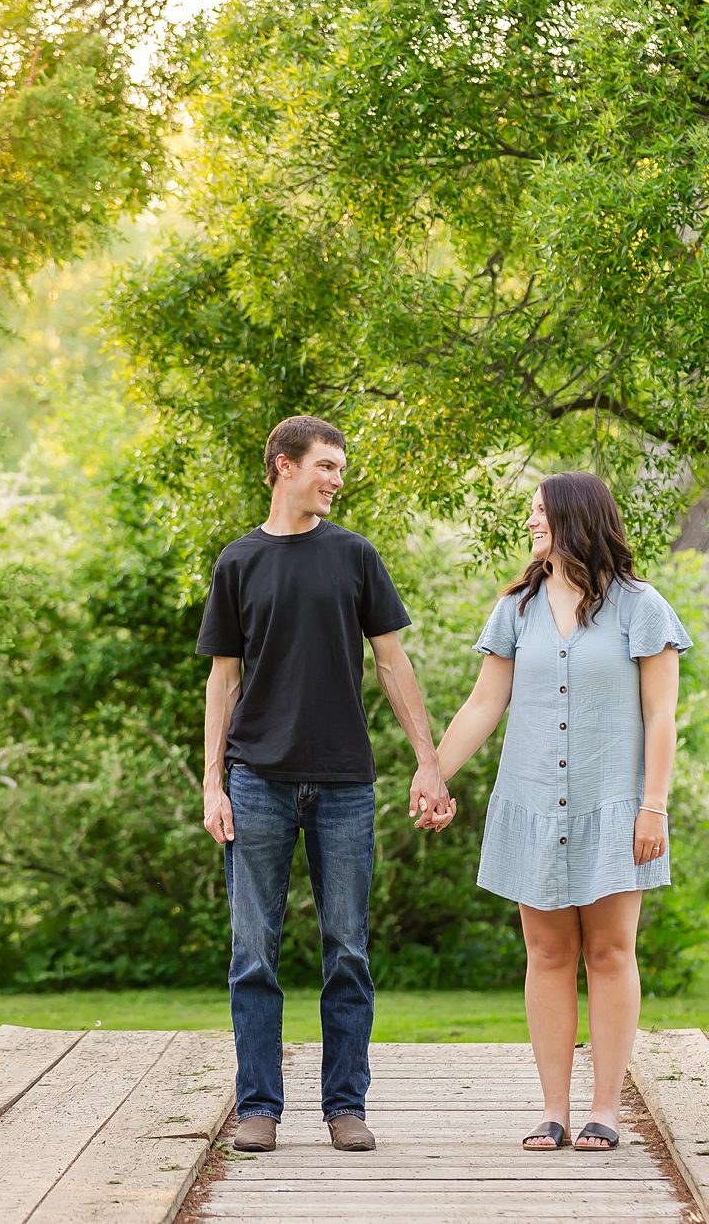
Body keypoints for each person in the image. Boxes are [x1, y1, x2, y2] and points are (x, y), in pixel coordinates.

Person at [197, 415, 453, 1155]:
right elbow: (222, 678)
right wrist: (213, 782)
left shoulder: (355, 555)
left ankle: (346, 1105)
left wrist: (428, 758)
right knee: (254, 952)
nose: (337, 479)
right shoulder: (238, 561)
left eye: (341, 468)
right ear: (284, 465)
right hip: (256, 783)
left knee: (347, 949)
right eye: (326, 465)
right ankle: (258, 1109)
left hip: (344, 782)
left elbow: (393, 663)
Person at [432, 471, 691, 1152]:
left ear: (575, 518)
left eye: (539, 512)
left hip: (616, 804)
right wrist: (433, 770)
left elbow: (661, 714)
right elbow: (485, 704)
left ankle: (604, 1109)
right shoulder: (515, 609)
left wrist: (654, 806)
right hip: (534, 804)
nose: (530, 523)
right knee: (547, 952)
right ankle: (553, 1109)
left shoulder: (642, 607)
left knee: (609, 951)